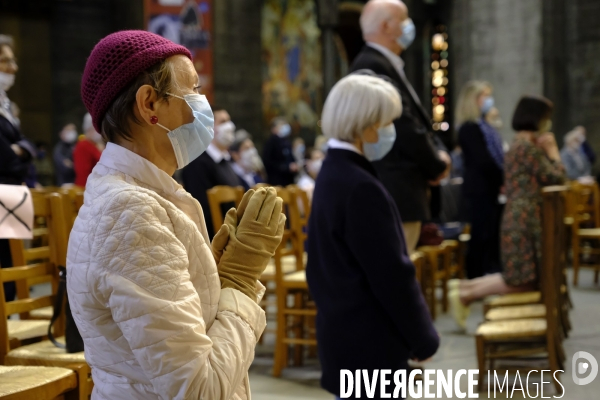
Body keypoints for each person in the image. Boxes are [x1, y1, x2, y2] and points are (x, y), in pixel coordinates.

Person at [70, 30, 285, 400]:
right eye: (193, 90)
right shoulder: (130, 212)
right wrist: (240, 281)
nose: (203, 104)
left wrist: (215, 276)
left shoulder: (145, 194)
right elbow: (198, 389)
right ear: (150, 103)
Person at [306, 74, 439, 399]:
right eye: (387, 123)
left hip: (343, 334)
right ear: (366, 127)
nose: (390, 132)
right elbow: (392, 275)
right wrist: (423, 338)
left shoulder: (332, 172)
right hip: (369, 342)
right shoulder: (361, 187)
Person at [449, 95, 566, 328]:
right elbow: (556, 178)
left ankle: (466, 288)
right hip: (524, 220)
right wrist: (553, 152)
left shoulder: (521, 143)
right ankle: (465, 294)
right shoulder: (526, 147)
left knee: (521, 277)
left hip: (521, 217)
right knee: (522, 281)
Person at [351, 0, 450, 253]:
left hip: (404, 190)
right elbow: (404, 126)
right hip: (395, 190)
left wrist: (438, 154)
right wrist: (436, 164)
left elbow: (418, 123)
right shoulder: (372, 65)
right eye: (404, 19)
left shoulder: (385, 63)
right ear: (386, 26)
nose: (409, 26)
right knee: (394, 276)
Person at [0, 34, 36, 302]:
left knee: (16, 269)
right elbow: (7, 159)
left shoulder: (7, 105)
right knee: (5, 271)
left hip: (14, 190)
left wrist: (21, 149)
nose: (13, 68)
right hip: (3, 190)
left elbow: (27, 150)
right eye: (5, 61)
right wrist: (19, 151)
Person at [456, 81, 504, 278]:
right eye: (484, 95)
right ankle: (476, 275)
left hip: (490, 187)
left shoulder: (486, 126)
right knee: (481, 234)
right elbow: (483, 160)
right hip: (479, 188)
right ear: (473, 100)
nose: (488, 100)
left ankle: (490, 271)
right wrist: (503, 177)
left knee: (492, 233)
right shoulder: (468, 128)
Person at [182, 106, 240, 238]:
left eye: (229, 120)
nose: (230, 126)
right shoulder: (197, 164)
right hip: (216, 240)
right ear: (208, 128)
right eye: (223, 122)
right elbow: (203, 212)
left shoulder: (225, 160)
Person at [263, 117, 298, 186]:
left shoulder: (286, 142)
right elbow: (269, 162)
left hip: (289, 180)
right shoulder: (271, 143)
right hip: (277, 181)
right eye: (281, 125)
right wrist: (286, 167)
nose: (285, 127)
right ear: (274, 128)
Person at [73, 113, 104, 187]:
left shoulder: (96, 145)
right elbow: (83, 173)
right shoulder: (83, 145)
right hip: (86, 188)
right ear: (89, 129)